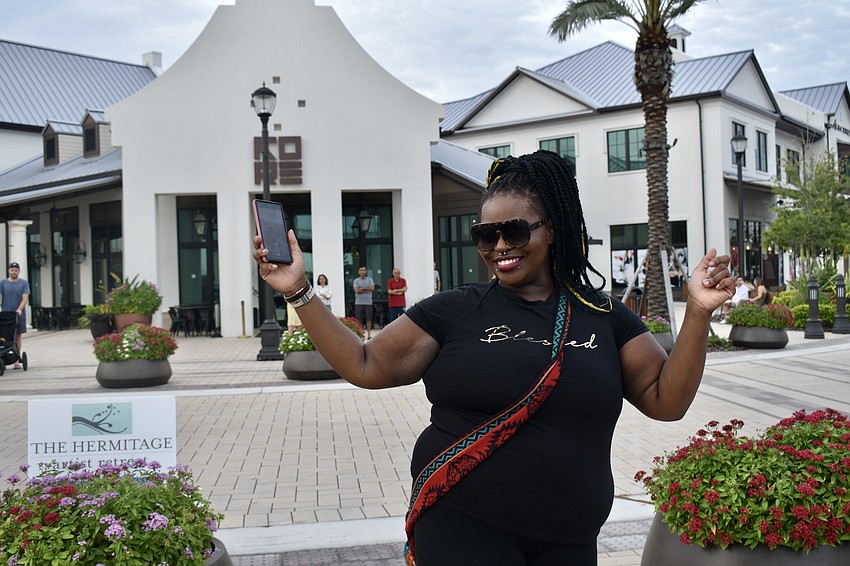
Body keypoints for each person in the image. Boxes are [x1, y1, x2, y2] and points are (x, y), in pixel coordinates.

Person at [253, 150, 735, 566]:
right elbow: (365, 364)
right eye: (486, 234)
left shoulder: (605, 317)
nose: (500, 246)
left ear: (552, 229)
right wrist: (298, 290)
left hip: (569, 539)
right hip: (463, 524)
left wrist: (697, 312)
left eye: (515, 231)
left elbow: (665, 401)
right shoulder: (455, 310)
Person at [0, 262, 30, 368]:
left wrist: (19, 309)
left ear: (19, 271)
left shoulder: (23, 283)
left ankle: (16, 360)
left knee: (17, 337)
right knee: (4, 337)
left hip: (18, 315)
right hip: (5, 315)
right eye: (12, 270)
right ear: (9, 271)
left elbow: (25, 298)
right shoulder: (3, 283)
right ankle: (3, 358)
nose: (14, 272)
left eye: (16, 270)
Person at [352, 266, 374, 340]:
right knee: (359, 320)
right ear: (358, 272)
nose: (363, 272)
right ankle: (360, 335)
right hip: (359, 303)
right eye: (361, 270)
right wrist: (367, 289)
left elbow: (372, 288)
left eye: (364, 270)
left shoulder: (370, 280)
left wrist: (361, 289)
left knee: (368, 319)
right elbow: (357, 290)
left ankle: (369, 335)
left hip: (368, 303)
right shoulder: (356, 281)